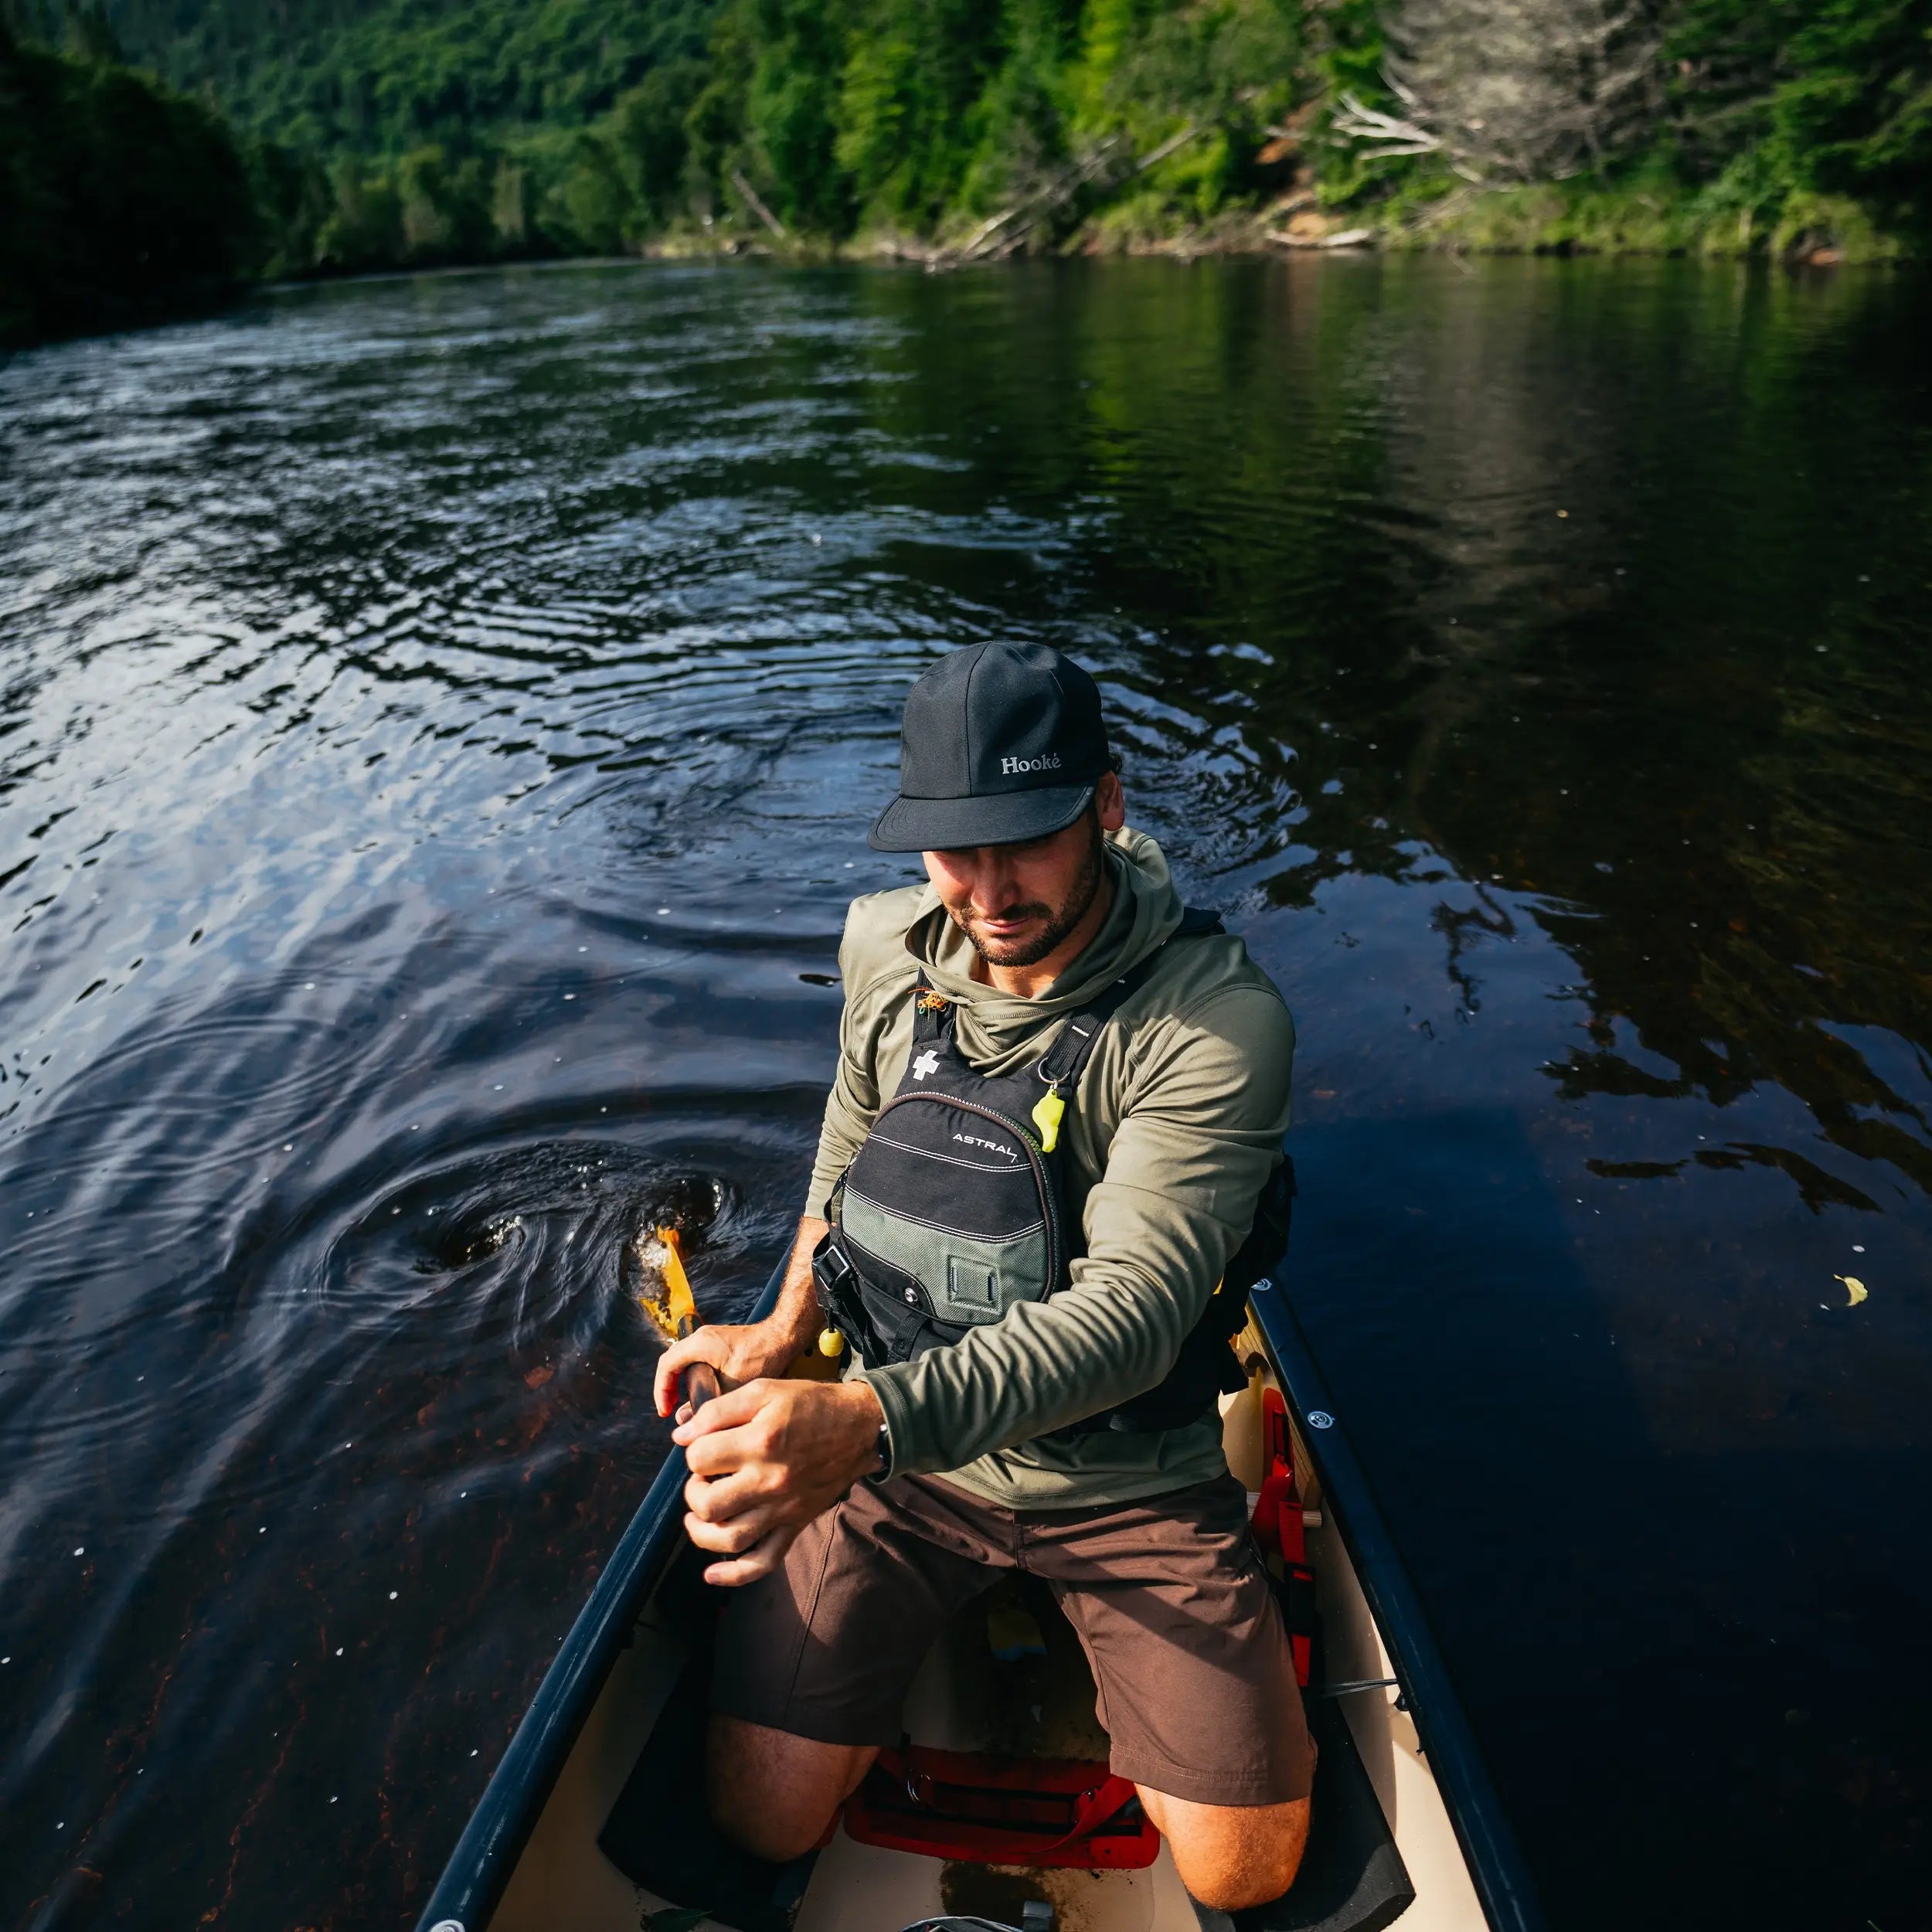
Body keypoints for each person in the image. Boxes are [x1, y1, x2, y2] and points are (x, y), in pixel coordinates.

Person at [653, 641, 1310, 1917]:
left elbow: (1133, 1319)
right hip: (908, 1473)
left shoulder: (1213, 1024)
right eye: (954, 851)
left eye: (1028, 843)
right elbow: (851, 1140)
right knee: (760, 1817)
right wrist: (783, 1333)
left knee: (1246, 1869)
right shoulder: (883, 947)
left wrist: (861, 1423)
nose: (990, 891)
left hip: (1125, 1479)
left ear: (1105, 806)